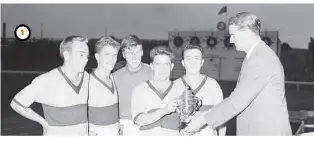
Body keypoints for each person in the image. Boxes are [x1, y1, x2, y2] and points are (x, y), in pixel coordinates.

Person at [183, 12, 292, 136]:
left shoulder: (260, 59)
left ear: (247, 32)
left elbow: (237, 101)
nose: (230, 40)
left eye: (233, 35)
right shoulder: (255, 55)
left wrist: (203, 120)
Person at [10, 36, 90, 136]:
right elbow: (17, 104)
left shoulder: (88, 78)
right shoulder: (47, 80)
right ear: (67, 55)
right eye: (81, 55)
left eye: (87, 55)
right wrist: (44, 123)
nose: (86, 59)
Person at [174, 44, 226, 136]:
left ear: (202, 62)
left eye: (196, 58)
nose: (192, 63)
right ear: (183, 62)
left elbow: (222, 116)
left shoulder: (213, 84)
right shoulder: (174, 86)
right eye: (189, 58)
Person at [131, 46, 182, 136]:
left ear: (172, 66)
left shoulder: (181, 90)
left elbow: (185, 121)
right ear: (152, 66)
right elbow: (139, 120)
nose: (162, 69)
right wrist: (164, 110)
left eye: (166, 64)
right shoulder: (139, 90)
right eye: (158, 64)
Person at [113, 34, 153, 136]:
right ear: (123, 54)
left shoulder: (153, 73)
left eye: (137, 52)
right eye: (129, 53)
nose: (134, 57)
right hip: (124, 125)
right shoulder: (114, 77)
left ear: (142, 52)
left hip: (148, 123)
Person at [87, 37, 120, 136]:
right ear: (97, 56)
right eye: (107, 55)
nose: (112, 60)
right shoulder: (89, 82)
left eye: (114, 55)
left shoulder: (112, 77)